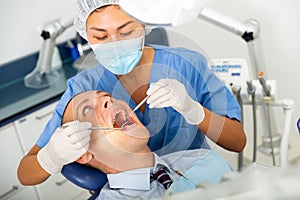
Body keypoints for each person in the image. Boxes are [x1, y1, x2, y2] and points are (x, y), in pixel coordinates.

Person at [17, 0, 246, 186]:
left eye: (126, 32)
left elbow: (237, 142)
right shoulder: (82, 88)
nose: (114, 44)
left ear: (144, 24)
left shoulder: (186, 64)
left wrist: (194, 111)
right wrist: (51, 157)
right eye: (101, 37)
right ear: (86, 36)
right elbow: (25, 173)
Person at [61, 90, 233, 199]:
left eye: (108, 96)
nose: (108, 100)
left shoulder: (203, 159)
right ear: (83, 154)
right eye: (86, 109)